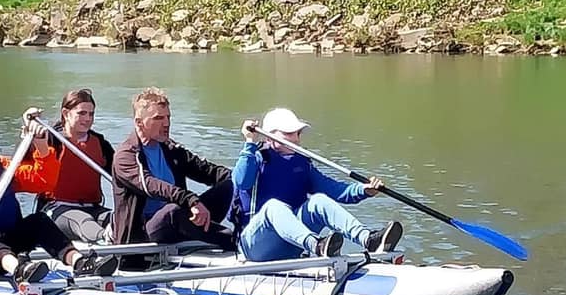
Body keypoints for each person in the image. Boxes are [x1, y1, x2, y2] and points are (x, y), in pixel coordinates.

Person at [0, 113, 116, 284]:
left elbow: (43, 182)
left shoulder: (2, 167)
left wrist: (42, 147)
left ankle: (80, 262)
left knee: (39, 220)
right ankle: (19, 269)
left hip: (8, 249)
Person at [231, 108, 402, 262]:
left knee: (319, 201)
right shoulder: (256, 158)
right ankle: (317, 246)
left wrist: (364, 190)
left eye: (298, 133)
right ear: (269, 137)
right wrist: (250, 142)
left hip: (290, 242)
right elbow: (241, 181)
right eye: (289, 133)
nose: (296, 139)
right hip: (253, 246)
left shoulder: (302, 164)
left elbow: (335, 190)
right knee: (275, 207)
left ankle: (369, 240)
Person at [110, 87, 237, 254]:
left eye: (168, 117)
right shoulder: (125, 155)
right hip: (145, 232)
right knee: (173, 210)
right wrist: (190, 200)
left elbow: (207, 171)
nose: (166, 123)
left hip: (180, 220)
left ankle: (241, 231)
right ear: (139, 122)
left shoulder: (170, 148)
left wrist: (245, 177)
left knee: (229, 185)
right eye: (158, 118)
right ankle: (234, 241)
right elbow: (151, 186)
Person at [34, 88, 115, 244]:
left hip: (92, 207)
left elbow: (119, 176)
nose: (88, 119)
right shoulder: (51, 140)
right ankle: (105, 238)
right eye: (81, 113)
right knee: (83, 221)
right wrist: (31, 129)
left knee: (117, 219)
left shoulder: (100, 143)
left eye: (91, 114)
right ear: (66, 113)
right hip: (56, 208)